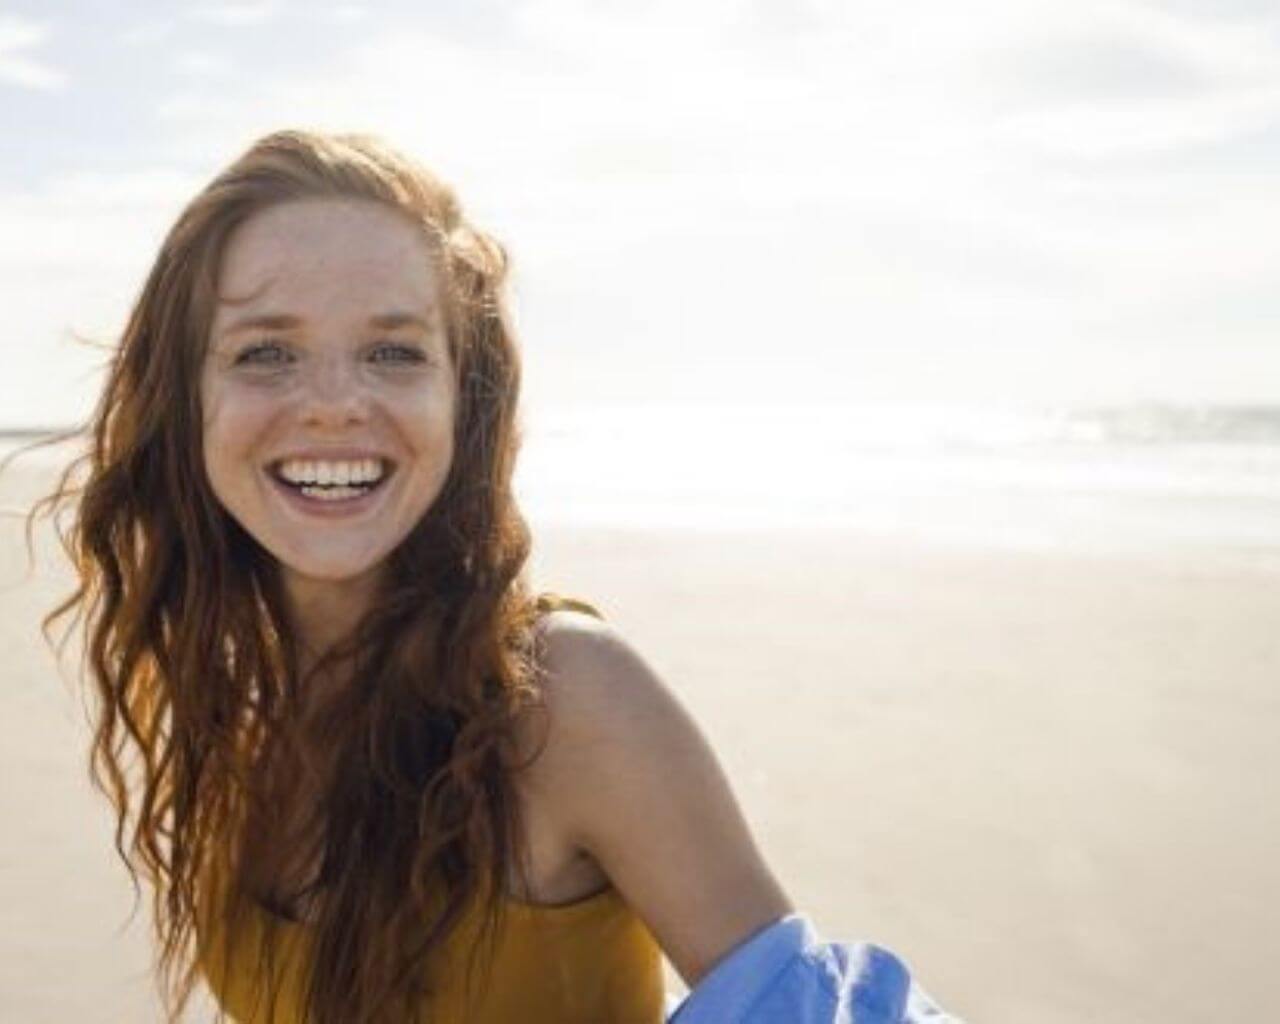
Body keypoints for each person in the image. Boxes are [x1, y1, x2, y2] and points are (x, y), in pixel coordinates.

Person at [19, 129, 960, 1022]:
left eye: (395, 352)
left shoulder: (559, 700)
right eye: (266, 352)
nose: (336, 406)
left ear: (462, 398)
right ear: (186, 400)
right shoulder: (240, 708)